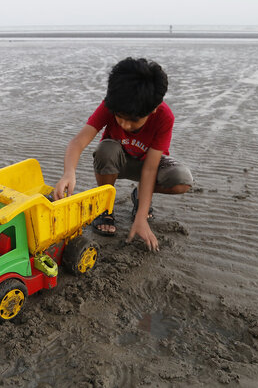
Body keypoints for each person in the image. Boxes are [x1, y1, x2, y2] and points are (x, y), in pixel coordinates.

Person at [54, 57, 192, 251]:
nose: (125, 125)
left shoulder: (164, 116)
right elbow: (78, 142)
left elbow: (150, 169)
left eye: (133, 120)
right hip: (115, 161)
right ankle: (106, 207)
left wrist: (141, 217)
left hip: (146, 165)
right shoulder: (111, 104)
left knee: (181, 180)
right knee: (106, 149)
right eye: (119, 117)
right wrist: (69, 173)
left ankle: (140, 197)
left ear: (153, 110)